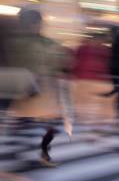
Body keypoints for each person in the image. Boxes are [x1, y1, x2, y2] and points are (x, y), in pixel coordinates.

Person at [7, 9, 72, 166]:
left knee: (30, 122)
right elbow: (59, 63)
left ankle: (26, 153)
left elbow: (60, 63)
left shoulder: (14, 41)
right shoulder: (39, 43)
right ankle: (35, 154)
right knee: (38, 123)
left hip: (32, 87)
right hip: (34, 87)